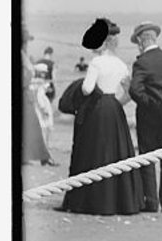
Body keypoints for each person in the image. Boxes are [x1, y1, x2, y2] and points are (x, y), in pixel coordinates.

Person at [61, 18, 143, 215]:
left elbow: (87, 89)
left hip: (97, 110)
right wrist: (115, 101)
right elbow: (128, 95)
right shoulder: (122, 65)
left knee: (93, 152)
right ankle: (119, 202)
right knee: (116, 154)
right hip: (114, 110)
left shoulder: (96, 62)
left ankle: (90, 201)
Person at [129, 21, 162, 213]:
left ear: (142, 40)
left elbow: (134, 90)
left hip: (149, 117)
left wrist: (148, 103)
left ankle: (151, 202)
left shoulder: (141, 62)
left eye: (138, 42)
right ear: (154, 38)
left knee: (147, 158)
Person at [21, 31, 57, 167]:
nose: (27, 44)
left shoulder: (27, 56)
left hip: (29, 91)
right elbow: (30, 72)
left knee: (33, 123)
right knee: (35, 123)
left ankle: (41, 155)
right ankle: (43, 156)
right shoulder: (22, 55)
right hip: (28, 91)